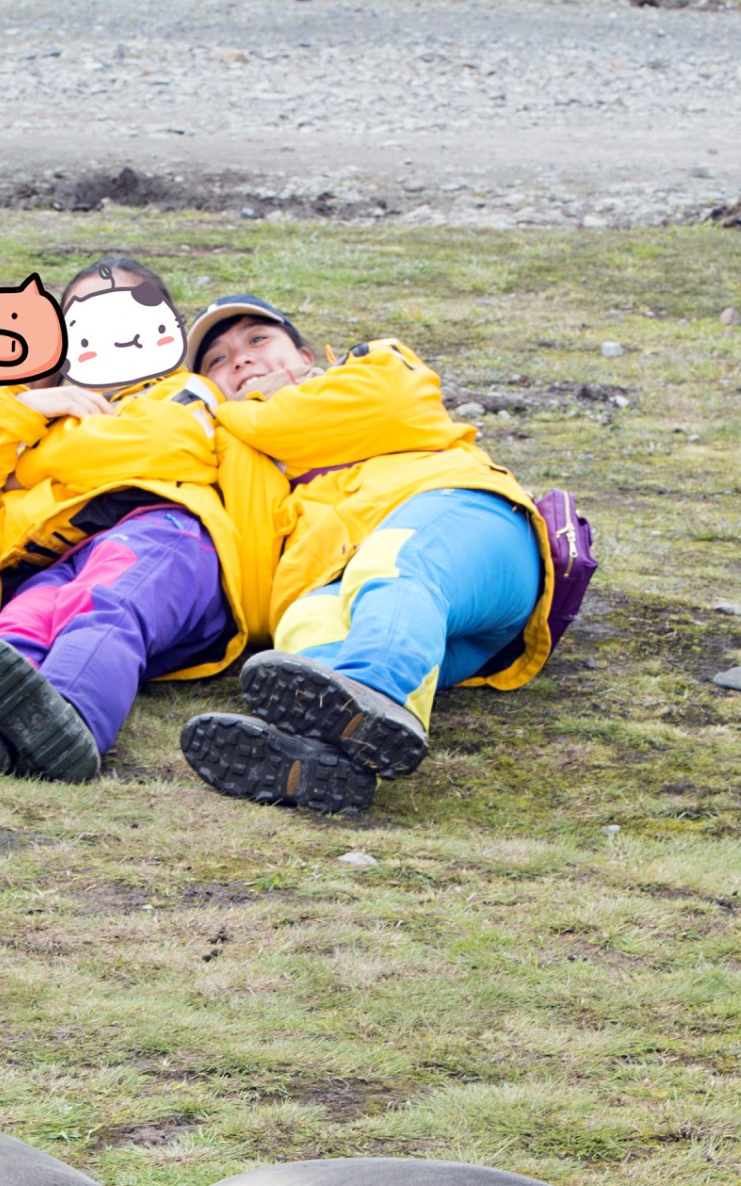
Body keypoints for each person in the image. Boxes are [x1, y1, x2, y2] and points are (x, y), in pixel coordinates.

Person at [0, 260, 287, 784]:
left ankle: (71, 718)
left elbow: (165, 444)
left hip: (168, 531)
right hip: (62, 556)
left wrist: (30, 460)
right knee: (23, 620)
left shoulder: (186, 390)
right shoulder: (38, 416)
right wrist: (20, 411)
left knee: (107, 605)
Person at [173, 297, 559, 814]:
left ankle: (375, 686)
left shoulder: (371, 364)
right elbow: (254, 569)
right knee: (305, 623)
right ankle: (321, 761)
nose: (239, 360)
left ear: (304, 354)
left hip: (466, 525)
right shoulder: (237, 447)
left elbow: (393, 401)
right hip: (423, 626)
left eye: (257, 340)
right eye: (216, 360)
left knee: (392, 562)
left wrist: (245, 412)